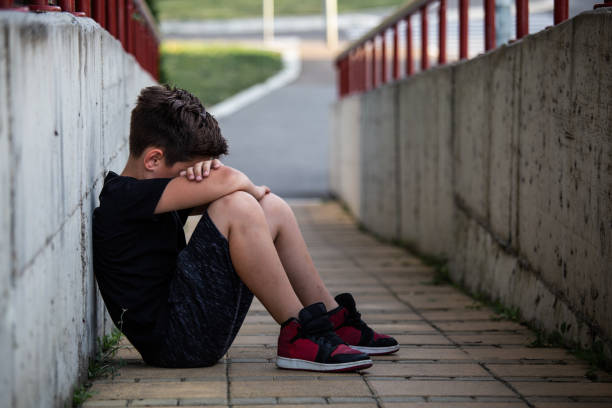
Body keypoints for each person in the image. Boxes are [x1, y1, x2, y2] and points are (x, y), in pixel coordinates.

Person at [93, 85, 399, 372]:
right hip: (175, 344)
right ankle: (299, 332)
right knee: (238, 206)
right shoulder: (122, 199)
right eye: (187, 174)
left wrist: (219, 179)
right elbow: (229, 186)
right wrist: (236, 183)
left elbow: (225, 189)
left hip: (191, 324)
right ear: (154, 159)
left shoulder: (152, 193)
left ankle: (332, 320)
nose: (191, 180)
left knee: (272, 208)